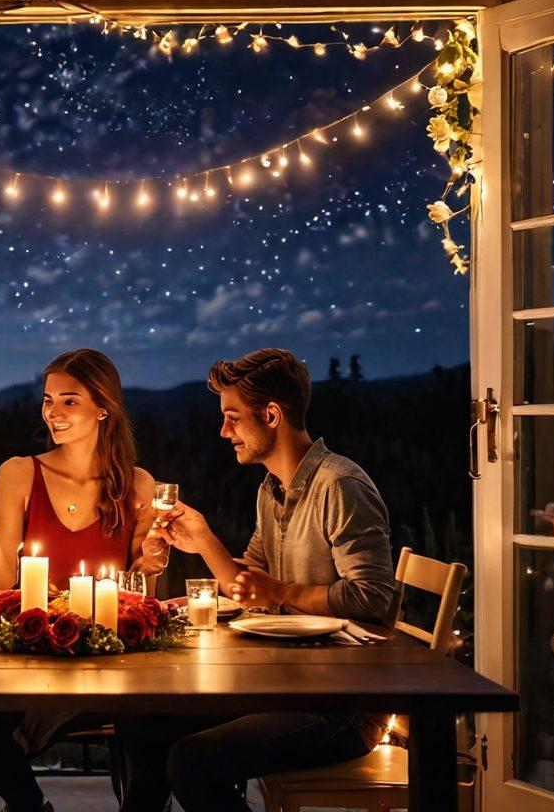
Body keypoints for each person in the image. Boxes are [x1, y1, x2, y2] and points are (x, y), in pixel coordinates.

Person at [120, 348, 396, 812]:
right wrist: (203, 542)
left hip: (341, 705)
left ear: (271, 415)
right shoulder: (272, 491)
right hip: (286, 683)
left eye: (232, 418)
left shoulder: (340, 485)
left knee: (193, 761)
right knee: (142, 721)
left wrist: (280, 592)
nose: (223, 431)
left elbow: (372, 597)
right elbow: (247, 585)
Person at [0, 348, 165, 812]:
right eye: (48, 400)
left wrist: (151, 563)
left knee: (150, 728)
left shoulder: (137, 484)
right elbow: (1, 585)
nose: (53, 412)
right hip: (31, 649)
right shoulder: (19, 473)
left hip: (107, 657)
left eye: (69, 401)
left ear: (104, 407)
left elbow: (139, 590)